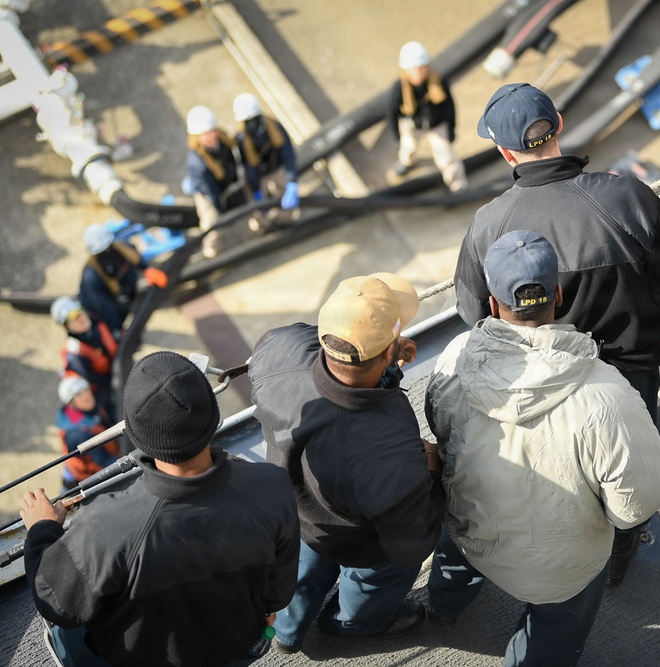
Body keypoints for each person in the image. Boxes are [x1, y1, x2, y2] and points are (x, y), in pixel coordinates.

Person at [454, 82, 660, 585]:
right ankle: (621, 552)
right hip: (631, 371)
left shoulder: (488, 224)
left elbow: (471, 309)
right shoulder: (627, 195)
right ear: (559, 124)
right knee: (626, 458)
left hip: (539, 380)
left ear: (505, 152)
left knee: (561, 469)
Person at [425, 230, 660, 667]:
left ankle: (442, 609)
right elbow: (634, 509)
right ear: (559, 293)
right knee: (559, 627)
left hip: (466, 533)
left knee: (453, 560)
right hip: (559, 571)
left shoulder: (453, 357)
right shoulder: (609, 395)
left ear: (492, 301)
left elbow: (439, 428)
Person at [21, 351, 300, 667]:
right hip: (234, 648)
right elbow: (278, 593)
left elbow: (59, 603)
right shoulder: (272, 484)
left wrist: (42, 530)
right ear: (213, 418)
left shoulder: (104, 524)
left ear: (137, 436)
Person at [249, 272, 444, 653]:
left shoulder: (279, 348)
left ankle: (287, 635)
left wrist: (385, 369)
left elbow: (331, 364)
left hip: (294, 518)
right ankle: (350, 624)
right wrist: (432, 466)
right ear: (390, 350)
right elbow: (410, 545)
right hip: (361, 541)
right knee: (383, 574)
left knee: (298, 575)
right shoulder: (392, 451)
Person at [386, 41, 468, 192]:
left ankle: (457, 185)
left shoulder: (438, 82)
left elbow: (450, 107)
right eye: (414, 70)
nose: (419, 73)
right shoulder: (399, 88)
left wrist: (451, 129)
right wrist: (396, 134)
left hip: (436, 125)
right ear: (406, 70)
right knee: (407, 147)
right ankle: (407, 162)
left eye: (422, 68)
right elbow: (392, 112)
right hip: (412, 125)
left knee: (447, 157)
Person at [78, 224, 167, 335]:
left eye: (108, 248)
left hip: (126, 293)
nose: (107, 253)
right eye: (102, 252)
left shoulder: (123, 248)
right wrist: (118, 327)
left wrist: (148, 269)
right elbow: (104, 307)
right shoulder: (91, 277)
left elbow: (136, 258)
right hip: (105, 305)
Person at [232, 93, 300, 232]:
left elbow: (288, 154)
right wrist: (256, 189)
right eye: (247, 120)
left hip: (276, 167)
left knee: (283, 191)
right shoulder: (242, 138)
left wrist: (292, 181)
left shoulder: (275, 127)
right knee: (256, 203)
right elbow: (249, 166)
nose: (251, 123)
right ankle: (263, 226)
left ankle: (284, 220)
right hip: (259, 174)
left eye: (253, 119)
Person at [183, 105, 241, 258]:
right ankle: (212, 251)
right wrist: (219, 207)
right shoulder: (197, 163)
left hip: (223, 183)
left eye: (213, 131)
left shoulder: (223, 144)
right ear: (198, 137)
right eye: (207, 134)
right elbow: (211, 191)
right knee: (211, 220)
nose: (212, 136)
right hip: (206, 192)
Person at [51, 296, 119, 414]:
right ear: (68, 326)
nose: (80, 319)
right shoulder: (74, 354)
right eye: (74, 318)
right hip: (103, 386)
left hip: (115, 366)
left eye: (79, 313)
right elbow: (94, 379)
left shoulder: (96, 321)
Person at [55, 375, 119, 493]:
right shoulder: (79, 434)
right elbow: (105, 463)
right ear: (71, 403)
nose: (85, 395)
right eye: (78, 394)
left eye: (85, 389)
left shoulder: (90, 407)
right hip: (87, 481)